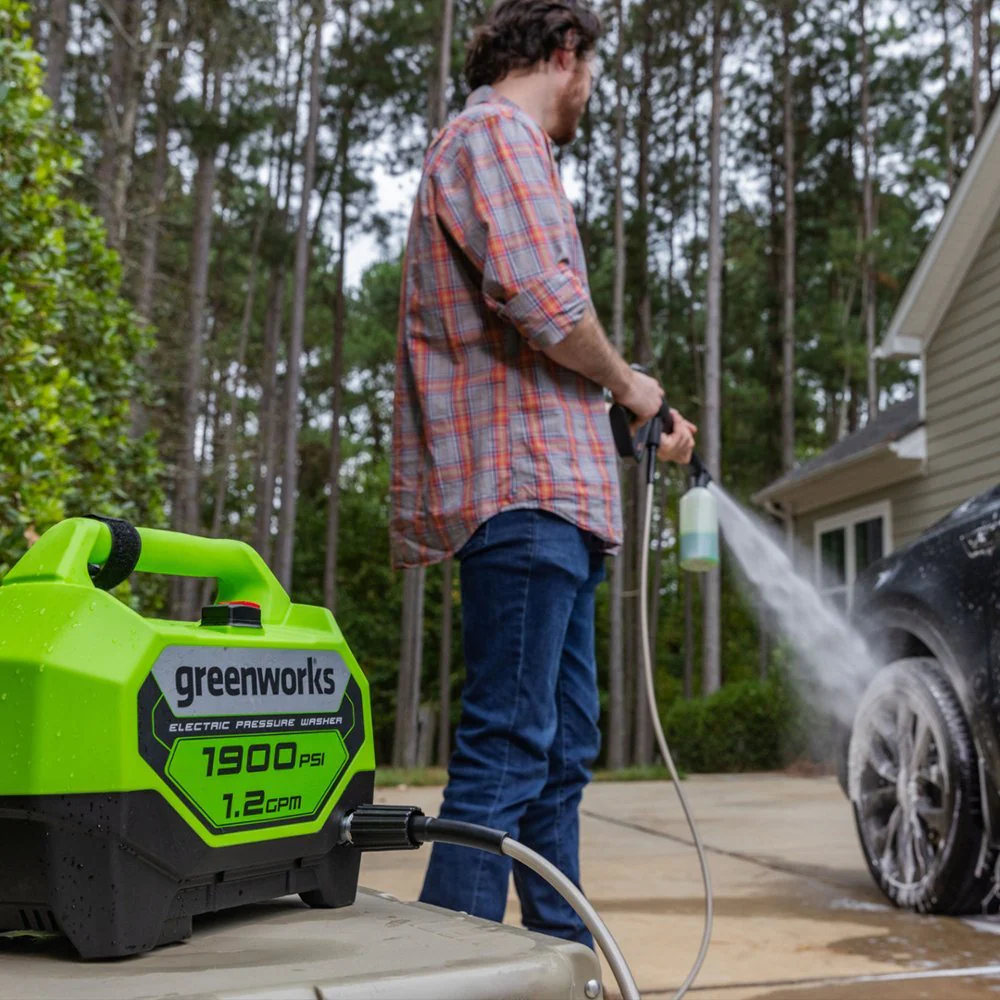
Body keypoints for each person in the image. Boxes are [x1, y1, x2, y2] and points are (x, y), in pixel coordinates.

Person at [390, 0, 697, 946]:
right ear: (565, 53)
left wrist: (619, 404)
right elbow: (544, 300)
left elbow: (535, 345)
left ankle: (560, 957)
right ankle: (454, 969)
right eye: (592, 73)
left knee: (560, 750)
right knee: (511, 746)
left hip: (554, 497)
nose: (591, 95)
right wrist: (632, 383)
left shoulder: (503, 151)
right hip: (523, 499)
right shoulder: (497, 137)